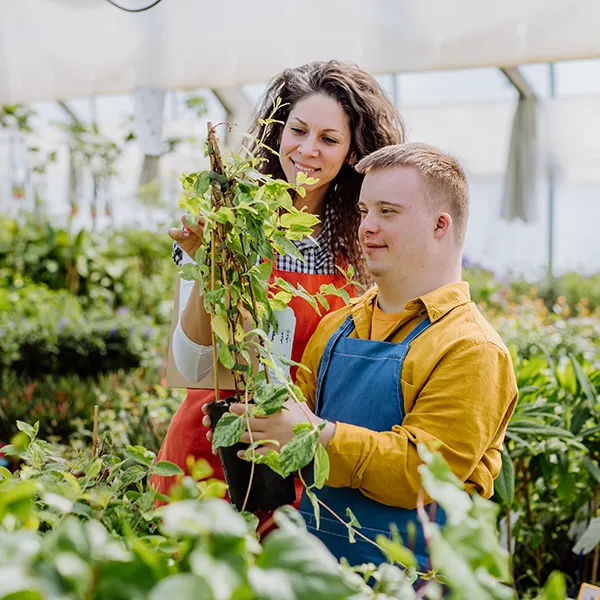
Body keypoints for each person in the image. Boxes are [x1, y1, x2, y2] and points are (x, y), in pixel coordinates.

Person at [204, 142, 518, 569]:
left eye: (388, 211)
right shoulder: (337, 326)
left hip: (416, 580)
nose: (367, 226)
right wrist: (254, 429)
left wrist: (312, 436)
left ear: (440, 225)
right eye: (365, 210)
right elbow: (294, 424)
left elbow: (421, 473)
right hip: (321, 572)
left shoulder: (470, 348)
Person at [150, 60, 404, 502]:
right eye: (298, 130)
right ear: (277, 132)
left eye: (329, 139)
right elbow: (191, 366)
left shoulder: (362, 252)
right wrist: (214, 263)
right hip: (206, 451)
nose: (307, 149)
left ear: (352, 154)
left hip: (298, 467)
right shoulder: (228, 223)